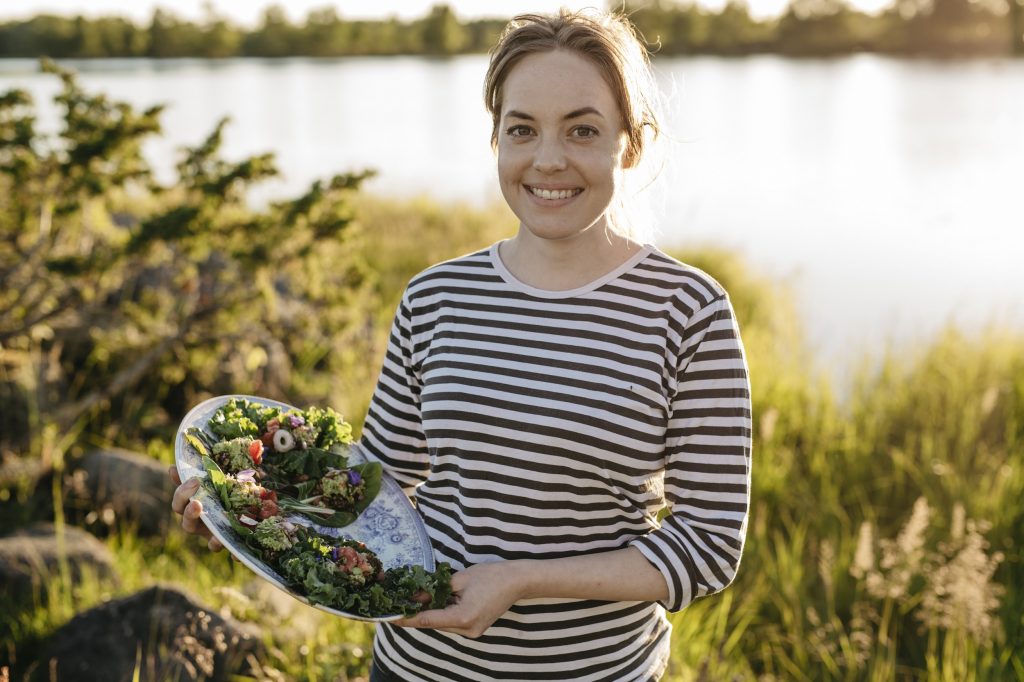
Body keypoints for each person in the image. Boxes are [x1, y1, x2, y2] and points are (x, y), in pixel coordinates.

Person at [171, 9, 752, 681]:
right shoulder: (436, 296)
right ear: (496, 138)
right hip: (417, 664)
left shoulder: (689, 311)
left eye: (582, 129)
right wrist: (239, 504)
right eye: (522, 130)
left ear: (630, 143)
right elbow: (376, 487)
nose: (549, 159)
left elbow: (707, 548)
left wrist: (519, 581)